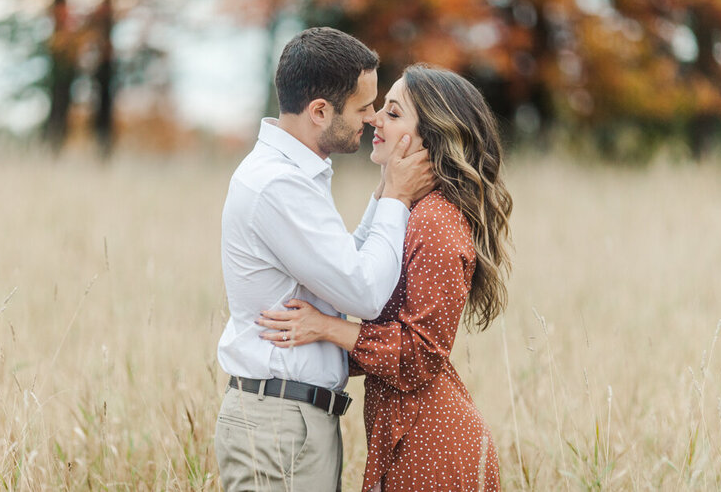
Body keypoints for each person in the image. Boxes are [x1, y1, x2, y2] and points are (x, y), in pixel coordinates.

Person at [258, 64, 514, 491]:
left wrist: (327, 328)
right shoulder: (411, 211)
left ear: (428, 137)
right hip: (404, 433)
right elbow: (359, 282)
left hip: (432, 445)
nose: (375, 118)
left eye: (393, 114)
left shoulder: (434, 220)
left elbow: (421, 356)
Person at [214, 28, 435, 491]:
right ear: (320, 112)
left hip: (290, 419)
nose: (373, 119)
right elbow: (365, 292)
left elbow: (339, 267)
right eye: (363, 107)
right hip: (279, 424)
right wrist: (396, 195)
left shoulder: (293, 175)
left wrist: (382, 194)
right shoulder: (279, 185)